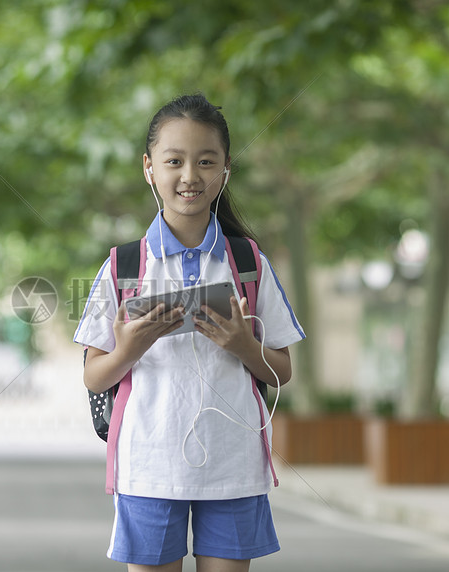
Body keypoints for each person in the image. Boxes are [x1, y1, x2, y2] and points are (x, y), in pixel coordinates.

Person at [73, 93, 305, 572]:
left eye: (206, 161)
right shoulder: (125, 266)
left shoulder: (248, 262)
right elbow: (95, 377)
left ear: (224, 171)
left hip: (234, 468)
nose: (189, 176)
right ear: (149, 168)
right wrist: (130, 349)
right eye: (174, 161)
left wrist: (244, 346)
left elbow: (282, 371)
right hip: (148, 467)